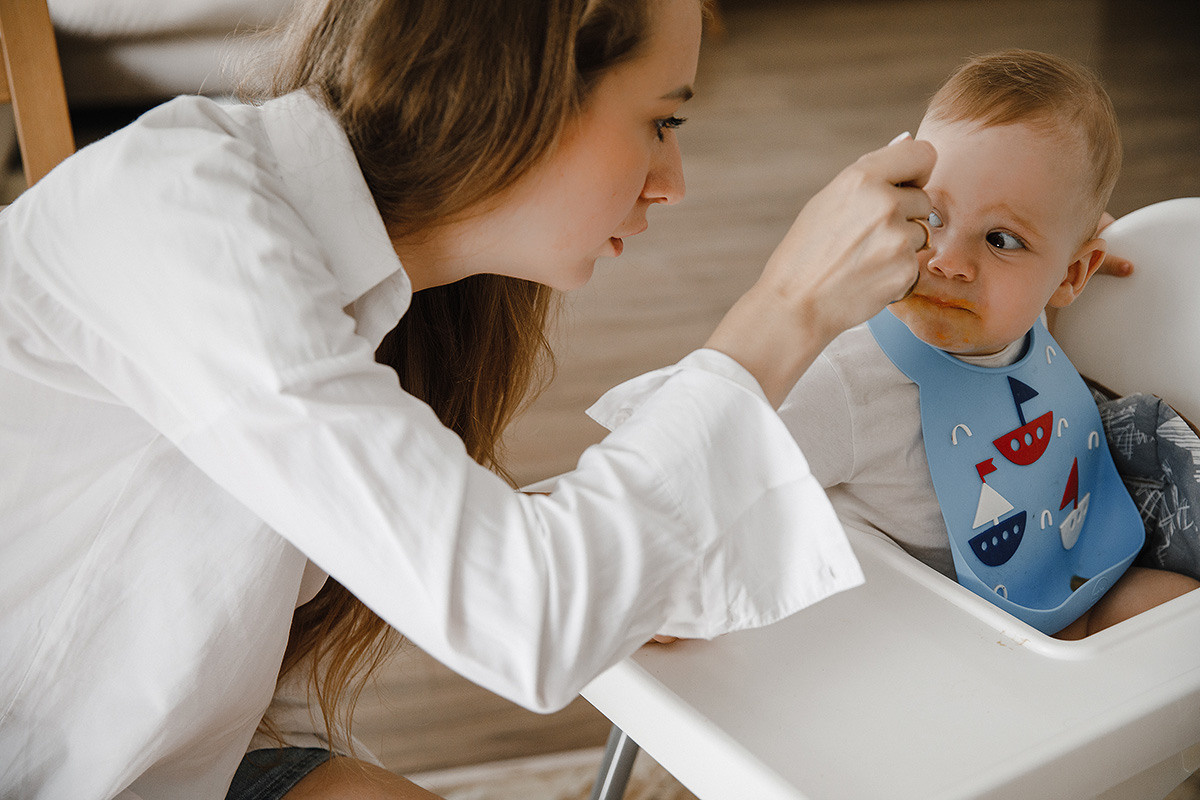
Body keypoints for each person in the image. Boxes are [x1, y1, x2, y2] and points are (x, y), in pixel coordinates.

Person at [0, 1, 939, 798]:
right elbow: (524, 616)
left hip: (176, 758)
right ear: (515, 90)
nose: (673, 184)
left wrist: (630, 558)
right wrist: (789, 309)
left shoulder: (375, 284)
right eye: (661, 121)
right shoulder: (183, 223)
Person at [779, 49, 1199, 643]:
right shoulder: (846, 383)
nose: (950, 262)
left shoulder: (1032, 317)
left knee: (1183, 615)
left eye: (1001, 239)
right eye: (932, 216)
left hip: (1071, 580)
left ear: (1070, 277)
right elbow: (734, 467)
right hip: (937, 645)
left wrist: (1075, 240)